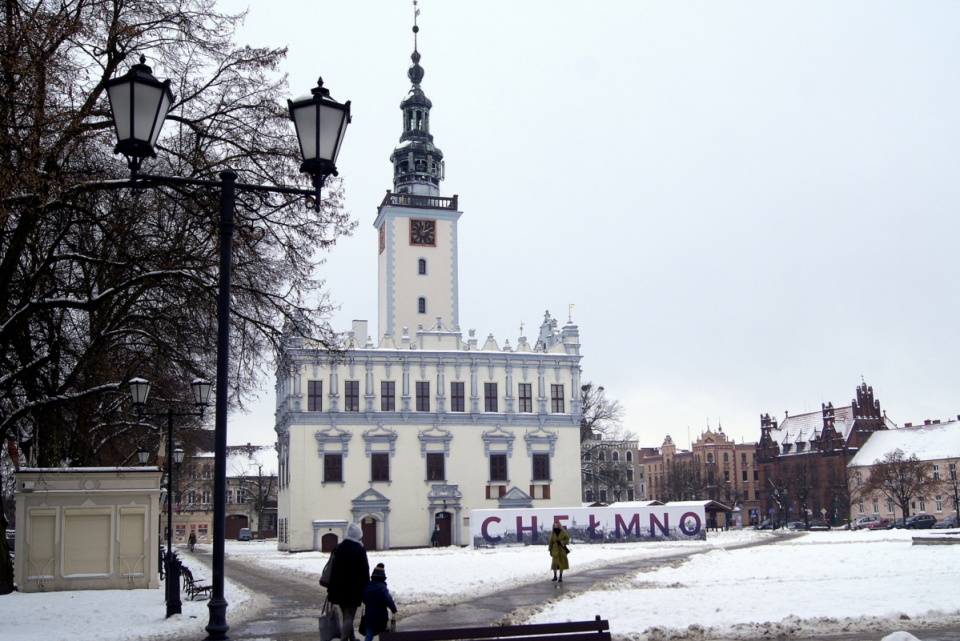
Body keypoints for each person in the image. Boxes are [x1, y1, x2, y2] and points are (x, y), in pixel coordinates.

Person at [327, 523, 370, 641]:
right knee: (349, 616)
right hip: (353, 590)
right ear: (358, 536)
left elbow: (333, 568)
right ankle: (344, 639)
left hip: (338, 588)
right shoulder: (359, 550)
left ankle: (352, 637)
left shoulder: (339, 547)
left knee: (346, 614)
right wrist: (366, 588)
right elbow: (364, 571)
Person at [362, 563, 397, 641]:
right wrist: (393, 609)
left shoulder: (368, 587)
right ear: (383, 578)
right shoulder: (382, 588)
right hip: (381, 617)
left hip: (369, 616)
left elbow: (363, 598)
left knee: (369, 634)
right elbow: (388, 600)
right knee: (383, 632)